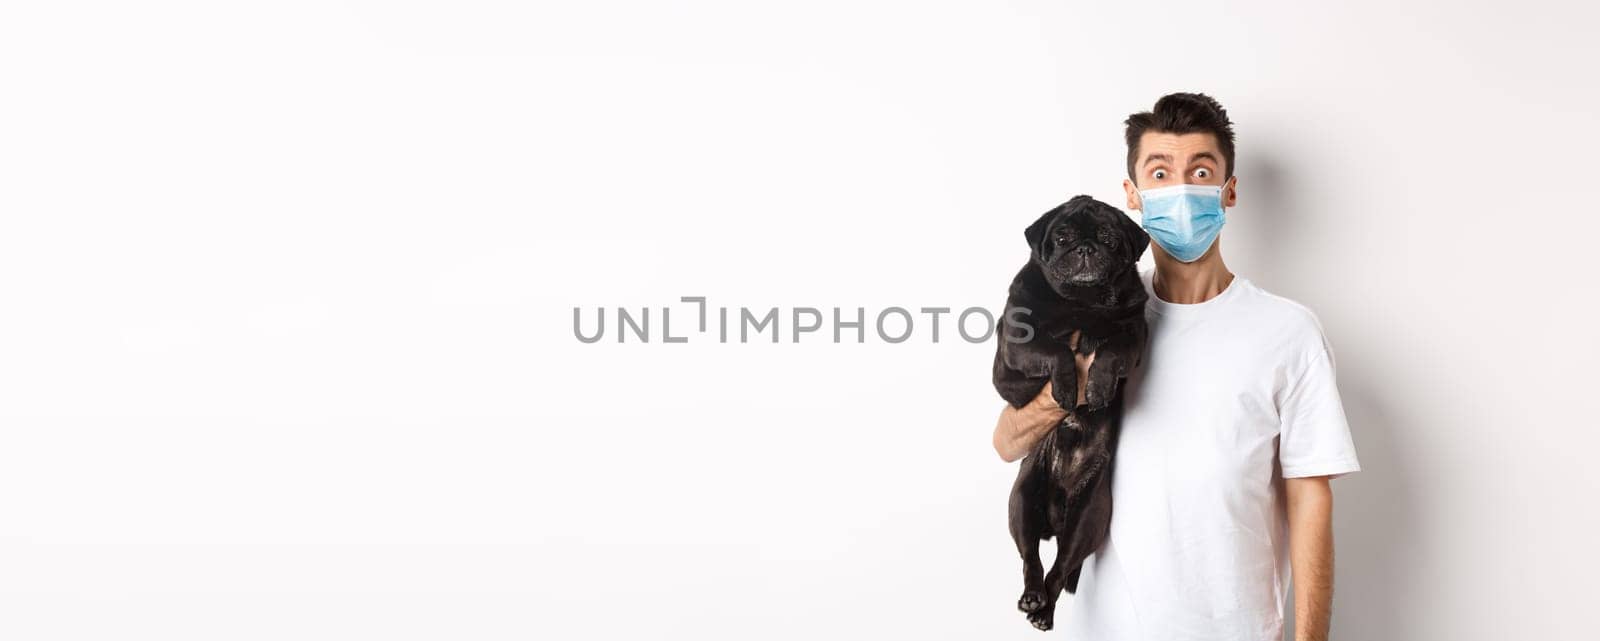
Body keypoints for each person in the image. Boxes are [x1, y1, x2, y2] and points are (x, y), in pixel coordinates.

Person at [991, 93, 1362, 641]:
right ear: (1132, 196)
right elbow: (1006, 442)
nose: (1181, 190)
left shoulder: (1288, 331)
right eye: (1160, 172)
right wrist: (1070, 380)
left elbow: (1310, 497)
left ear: (1228, 190)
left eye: (1201, 171)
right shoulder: (1093, 319)